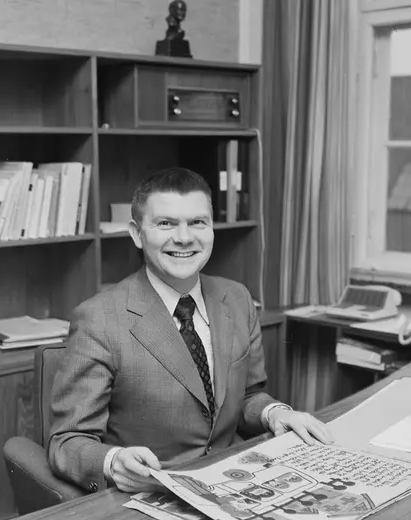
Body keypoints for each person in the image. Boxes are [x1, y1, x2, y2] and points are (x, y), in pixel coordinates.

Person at [47, 167, 332, 494]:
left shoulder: (237, 298)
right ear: (137, 234)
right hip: (154, 491)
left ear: (211, 229)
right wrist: (112, 462)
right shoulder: (99, 318)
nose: (184, 237)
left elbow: (248, 396)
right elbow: (66, 440)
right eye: (165, 223)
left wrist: (274, 413)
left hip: (235, 479)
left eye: (197, 222)